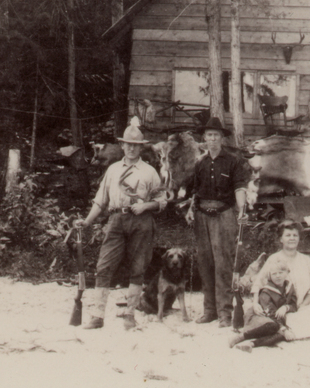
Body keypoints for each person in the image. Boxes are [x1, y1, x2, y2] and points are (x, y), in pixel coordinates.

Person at [75, 116, 167, 330]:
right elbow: (100, 200)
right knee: (104, 266)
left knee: (138, 268)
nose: (132, 149)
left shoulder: (149, 172)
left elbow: (162, 200)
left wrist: (146, 206)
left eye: (136, 145)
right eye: (128, 145)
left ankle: (130, 314)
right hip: (116, 220)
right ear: (122, 146)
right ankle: (97, 316)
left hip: (141, 222)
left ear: (141, 147)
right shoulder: (113, 169)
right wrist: (86, 222)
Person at [185, 117, 251, 328]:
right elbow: (195, 190)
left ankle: (225, 312)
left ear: (222, 138)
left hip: (224, 215)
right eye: (209, 135)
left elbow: (239, 187)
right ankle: (209, 311)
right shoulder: (200, 163)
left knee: (223, 263)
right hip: (202, 216)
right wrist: (190, 209)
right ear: (204, 138)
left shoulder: (233, 161)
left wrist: (241, 210)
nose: (212, 139)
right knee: (205, 263)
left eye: (216, 135)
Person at [251, 220, 310, 339]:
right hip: (283, 309)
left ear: (299, 238)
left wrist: (304, 305)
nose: (292, 238)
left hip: (303, 306)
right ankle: (302, 329)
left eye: (295, 235)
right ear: (281, 239)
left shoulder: (306, 260)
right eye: (288, 235)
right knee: (293, 320)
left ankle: (305, 329)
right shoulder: (274, 259)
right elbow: (258, 283)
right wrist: (255, 303)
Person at [229, 261, 296, 352]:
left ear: (287, 273)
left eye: (280, 272)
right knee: (275, 327)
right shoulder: (266, 291)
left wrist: (285, 307)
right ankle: (242, 337)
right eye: (274, 274)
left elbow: (294, 305)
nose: (277, 276)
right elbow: (270, 313)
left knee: (282, 334)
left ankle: (251, 344)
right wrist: (283, 328)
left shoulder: (289, 287)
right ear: (270, 276)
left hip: (274, 321)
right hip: (259, 318)